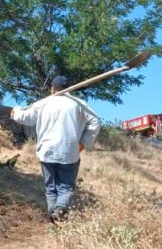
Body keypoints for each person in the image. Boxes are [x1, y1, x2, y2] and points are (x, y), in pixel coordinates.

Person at [11, 75, 100, 222]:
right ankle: (59, 211)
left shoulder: (43, 103)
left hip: (46, 152)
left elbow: (25, 117)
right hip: (69, 152)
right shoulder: (79, 104)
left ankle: (54, 218)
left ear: (52, 88)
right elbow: (95, 121)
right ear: (69, 88)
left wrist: (15, 111)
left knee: (50, 188)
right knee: (66, 187)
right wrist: (84, 143)